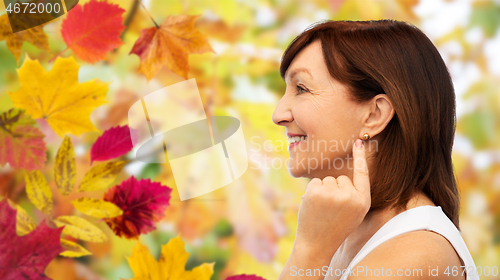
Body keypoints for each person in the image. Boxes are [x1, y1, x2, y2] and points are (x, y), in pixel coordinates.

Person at [272, 20, 479, 280]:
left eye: (301, 88)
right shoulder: (350, 231)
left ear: (374, 114)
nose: (278, 114)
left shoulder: (416, 255)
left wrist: (309, 253)